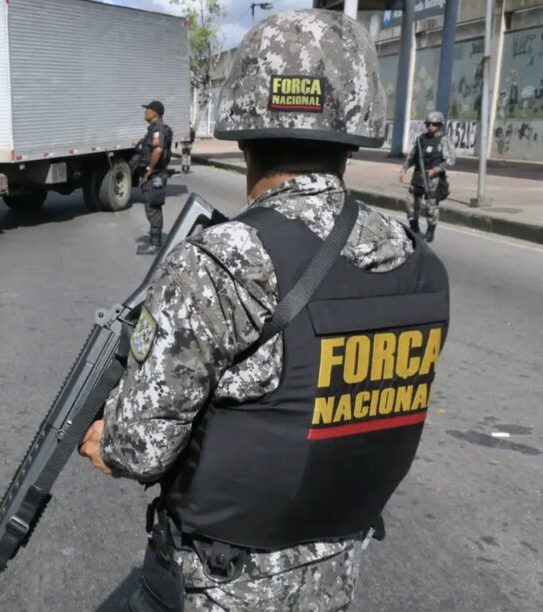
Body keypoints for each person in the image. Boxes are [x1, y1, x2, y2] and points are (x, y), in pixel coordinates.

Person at [78, 9, 450, 611]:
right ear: (355, 130)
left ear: (243, 133)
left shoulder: (219, 262)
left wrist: (105, 438)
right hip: (335, 578)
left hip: (219, 586)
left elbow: (142, 446)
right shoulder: (416, 260)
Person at [399, 110, 455, 242]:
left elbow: (450, 160)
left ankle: (430, 232)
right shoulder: (421, 139)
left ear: (440, 125)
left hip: (433, 179)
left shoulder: (444, 140)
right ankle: (414, 228)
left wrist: (436, 170)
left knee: (431, 206)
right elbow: (412, 156)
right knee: (411, 203)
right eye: (428, 124)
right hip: (418, 176)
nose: (430, 126)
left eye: (434, 124)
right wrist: (404, 169)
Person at [137, 100, 174, 255]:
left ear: (155, 113)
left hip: (156, 174)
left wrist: (149, 169)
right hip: (156, 174)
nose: (145, 112)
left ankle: (155, 244)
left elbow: (158, 150)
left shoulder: (158, 129)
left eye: (148, 109)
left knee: (153, 208)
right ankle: (155, 241)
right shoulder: (155, 129)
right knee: (152, 207)